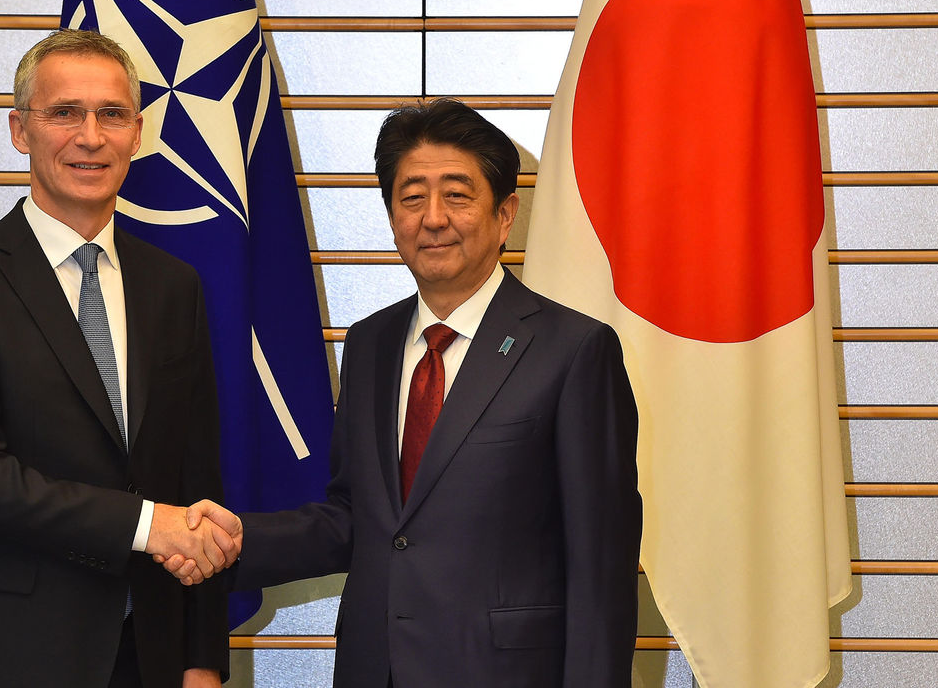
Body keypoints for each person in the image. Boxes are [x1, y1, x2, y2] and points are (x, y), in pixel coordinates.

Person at [167, 99, 642, 687]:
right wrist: (242, 540)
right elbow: (357, 517)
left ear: (505, 214)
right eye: (412, 197)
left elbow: (601, 564)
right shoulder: (370, 343)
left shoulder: (574, 351)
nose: (433, 218)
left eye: (458, 195)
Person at [0, 29, 237, 688]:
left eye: (112, 114)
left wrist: (202, 658)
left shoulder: (174, 287)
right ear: (19, 130)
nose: (90, 136)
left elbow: (196, 475)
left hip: (148, 655)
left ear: (136, 133)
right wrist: (147, 524)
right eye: (64, 113)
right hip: (1, 655)